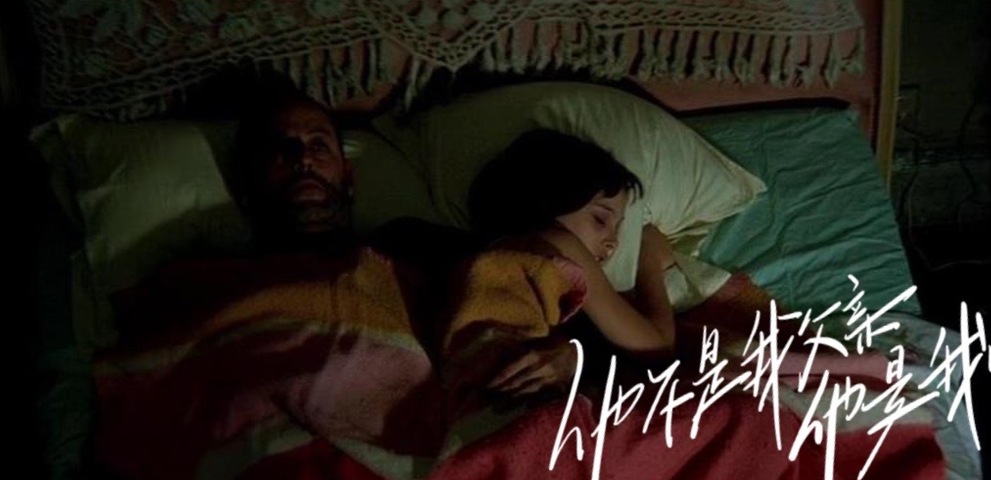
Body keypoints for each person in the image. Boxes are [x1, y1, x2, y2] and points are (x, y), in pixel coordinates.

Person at [227, 81, 579, 398]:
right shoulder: (219, 282)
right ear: (246, 185)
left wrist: (569, 357)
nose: (304, 158)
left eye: (319, 145)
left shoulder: (408, 243)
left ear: (348, 179)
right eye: (281, 147)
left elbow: (514, 280)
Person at [464, 128, 678, 368]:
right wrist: (649, 263)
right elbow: (657, 347)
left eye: (618, 228)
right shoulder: (559, 242)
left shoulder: (500, 249)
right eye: (600, 219)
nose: (614, 242)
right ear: (549, 200)